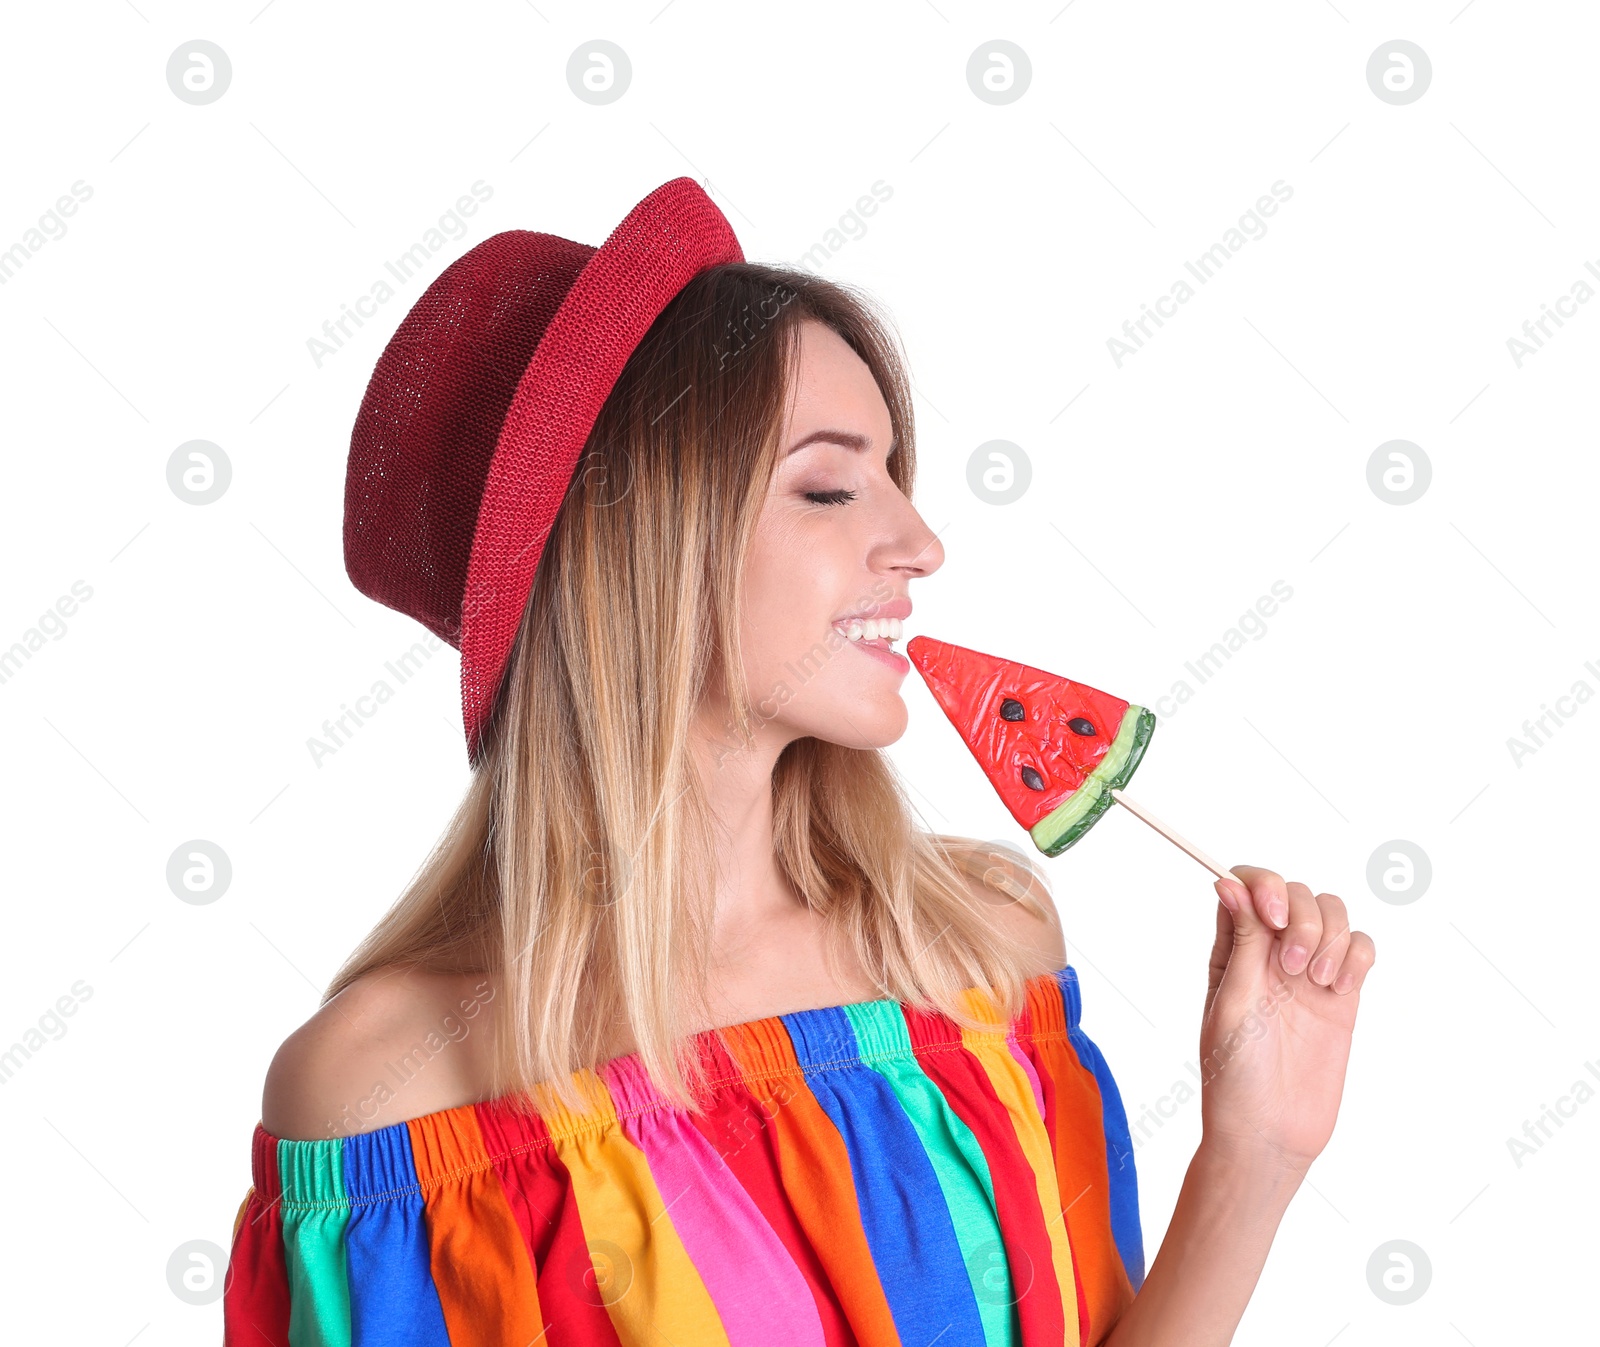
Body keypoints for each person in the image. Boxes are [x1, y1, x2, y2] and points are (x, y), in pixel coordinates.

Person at [221, 179, 1376, 1346]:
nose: (920, 545)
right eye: (828, 487)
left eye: (894, 478)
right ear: (639, 550)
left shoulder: (978, 953)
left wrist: (1258, 1152)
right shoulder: (386, 1100)